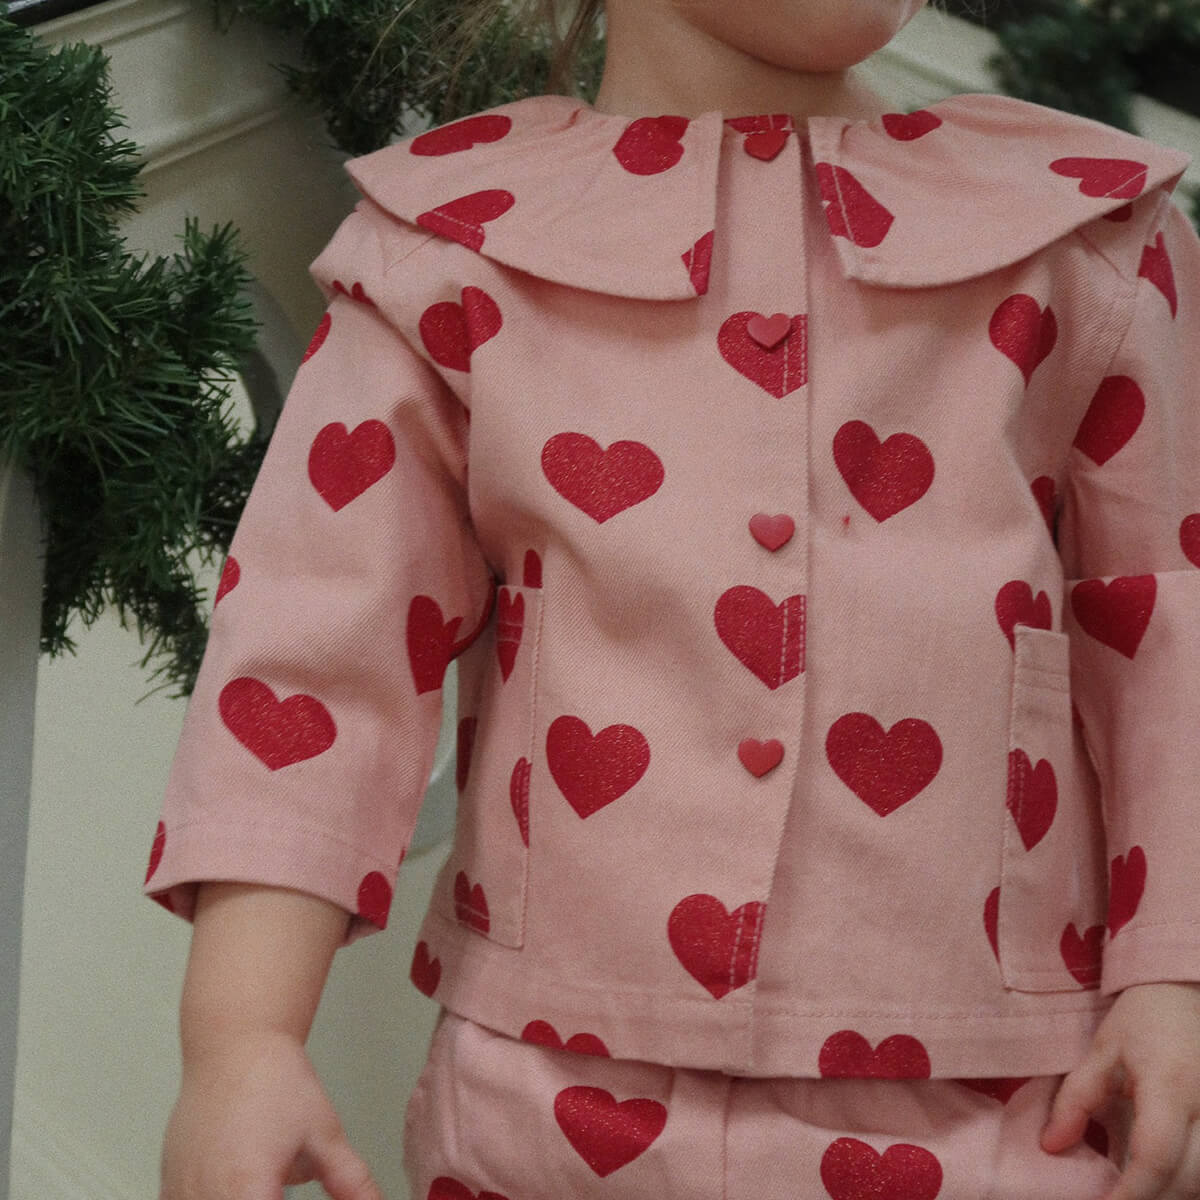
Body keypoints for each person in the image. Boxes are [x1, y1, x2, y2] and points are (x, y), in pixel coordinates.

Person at [149, 0, 1200, 1196]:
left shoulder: (1080, 240)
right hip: (538, 1119)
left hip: (1008, 1119)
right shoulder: (452, 249)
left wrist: (1177, 978)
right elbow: (319, 653)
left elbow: (1172, 632)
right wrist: (241, 1040)